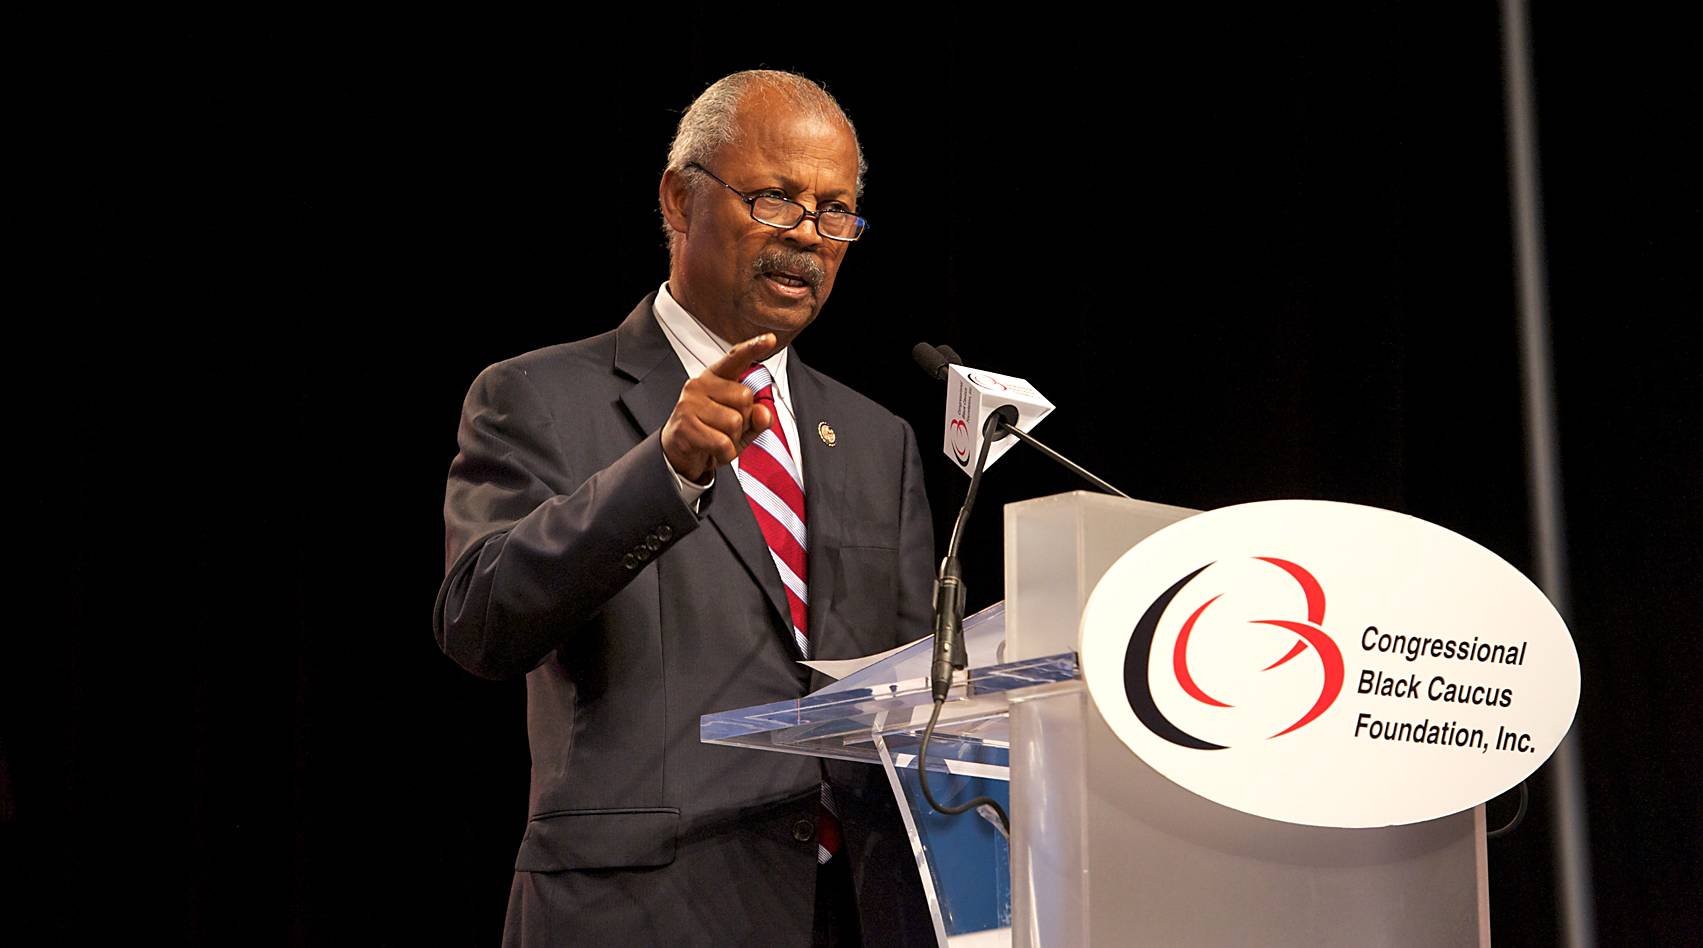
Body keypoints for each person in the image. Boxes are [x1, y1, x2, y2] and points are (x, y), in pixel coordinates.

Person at [433, 70, 937, 946]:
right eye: (776, 201)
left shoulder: (874, 437)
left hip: (849, 913)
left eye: (834, 212)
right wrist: (661, 472)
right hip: (641, 912)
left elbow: (896, 696)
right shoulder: (538, 396)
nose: (808, 239)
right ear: (678, 199)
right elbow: (481, 622)